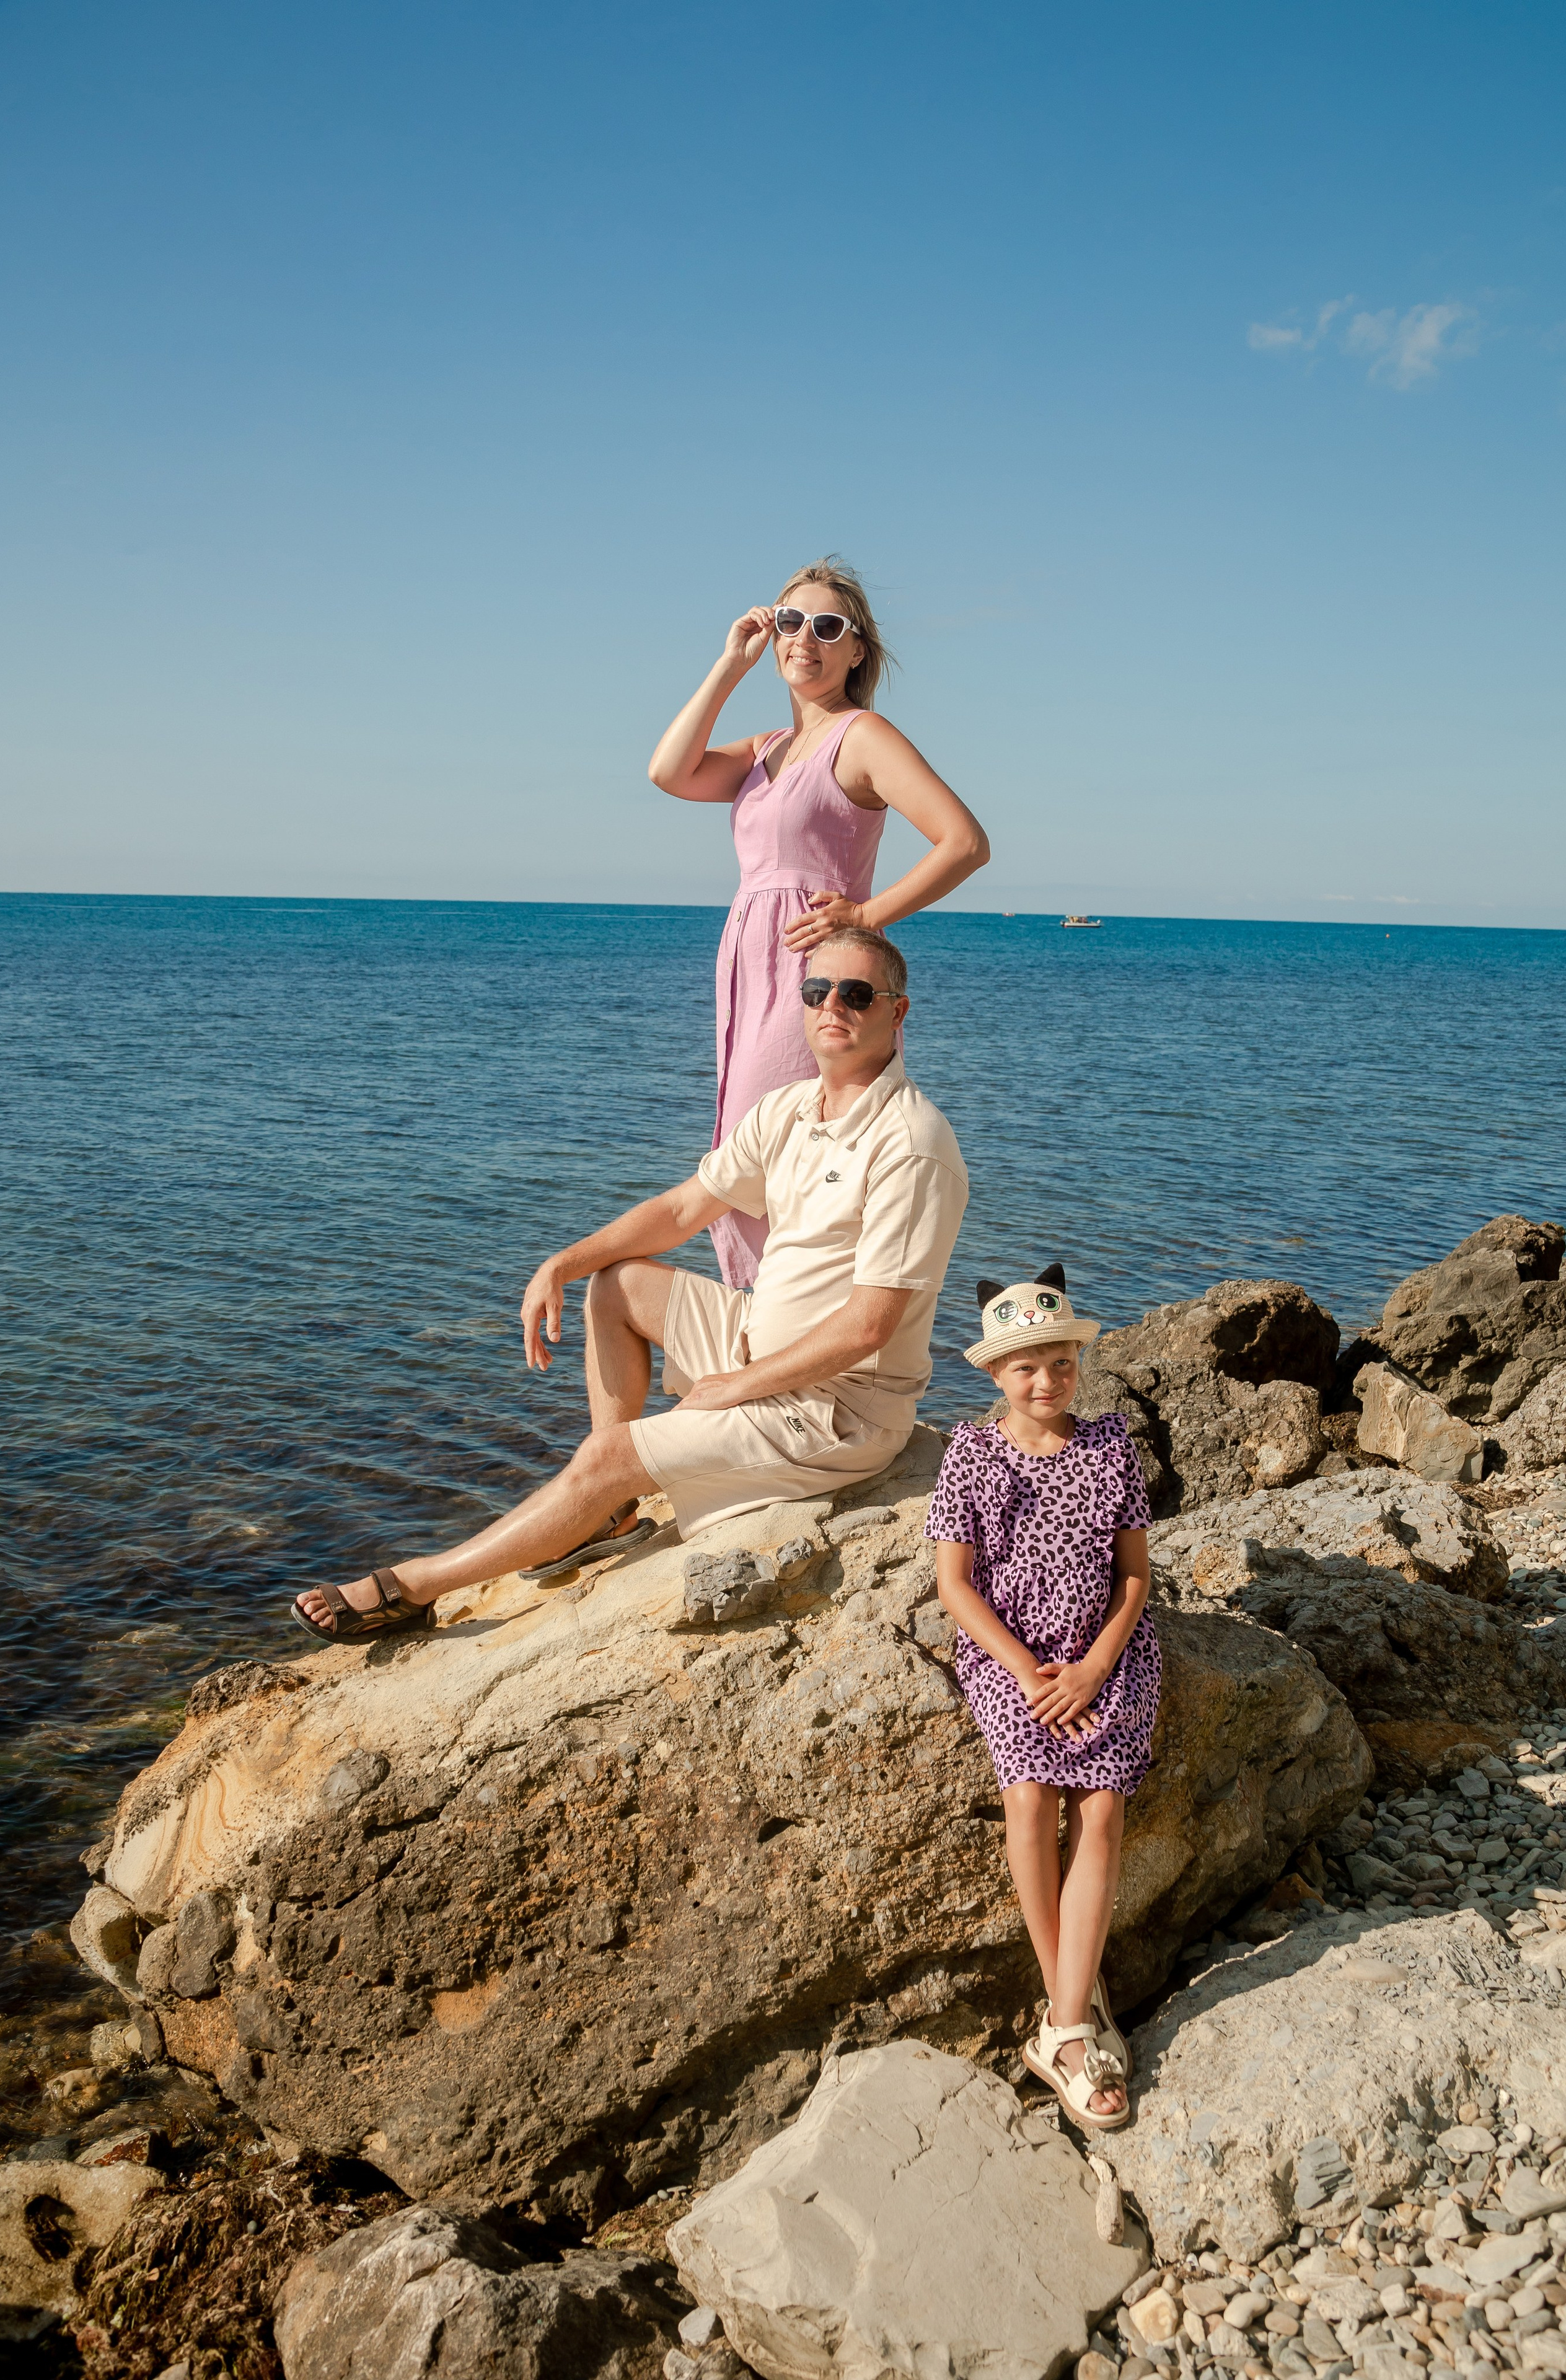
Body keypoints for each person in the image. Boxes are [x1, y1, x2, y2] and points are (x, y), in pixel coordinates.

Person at [293, 927, 967, 1641]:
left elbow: (870, 1326)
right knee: (617, 1286)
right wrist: (562, 1262)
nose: (833, 1005)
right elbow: (681, 1209)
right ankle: (607, 1514)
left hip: (838, 1409)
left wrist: (736, 1387)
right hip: (756, 1346)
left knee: (608, 1456)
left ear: (897, 1013)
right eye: (816, 990)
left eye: (856, 993)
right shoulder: (789, 1109)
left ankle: (415, 1587)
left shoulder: (912, 1144)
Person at [648, 557, 989, 1291]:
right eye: (791, 622)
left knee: (792, 1144)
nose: (807, 638)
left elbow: (964, 842)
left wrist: (866, 913)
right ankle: (764, 1322)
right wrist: (728, 665)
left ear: (856, 648)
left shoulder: (861, 736)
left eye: (828, 626)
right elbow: (669, 773)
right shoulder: (766, 748)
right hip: (747, 963)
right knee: (750, 1146)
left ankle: (796, 1325)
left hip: (817, 972)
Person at [925, 1267, 1159, 2132]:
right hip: (1014, 1660)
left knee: (1099, 1808)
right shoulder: (972, 1455)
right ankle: (1077, 2007)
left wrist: (1095, 1667)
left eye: (1060, 1363)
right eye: (1026, 1368)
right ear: (995, 1375)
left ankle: (1061, 2029)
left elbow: (1135, 1578)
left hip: (1104, 1656)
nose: (1047, 1381)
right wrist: (1028, 1672)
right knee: (1029, 1795)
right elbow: (954, 1587)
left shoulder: (1108, 1448)